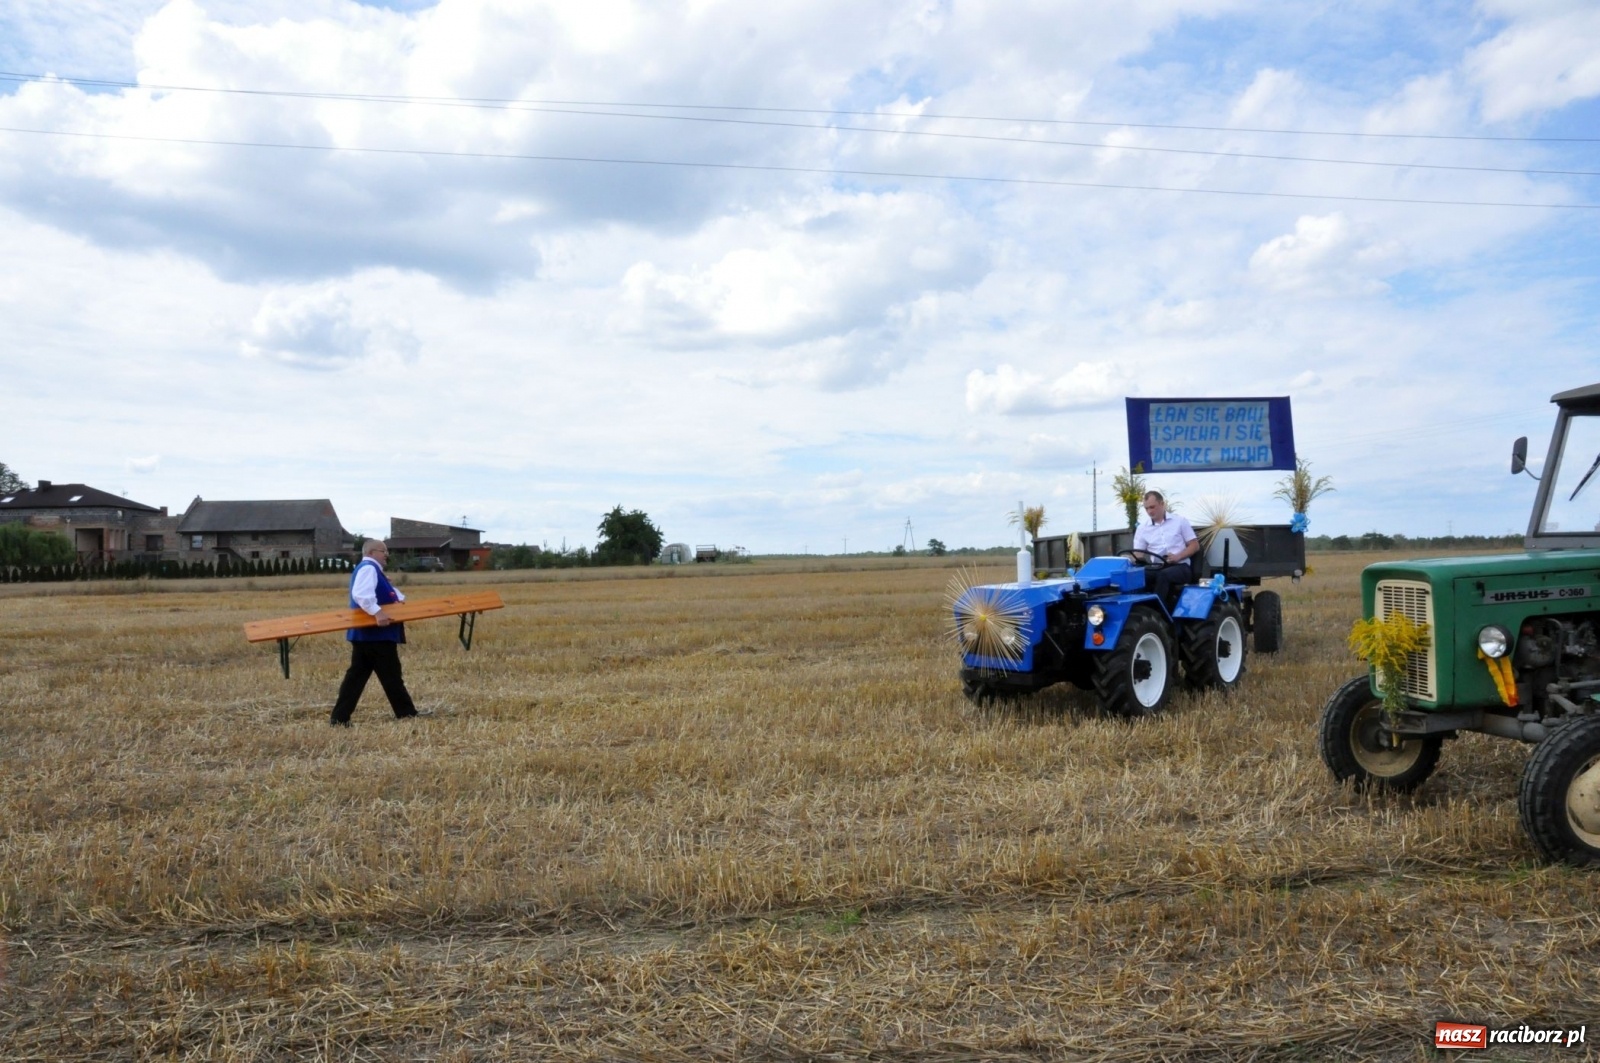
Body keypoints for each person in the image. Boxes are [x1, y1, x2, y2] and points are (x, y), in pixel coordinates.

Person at [330, 539, 421, 726]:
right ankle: (406, 714)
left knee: (356, 677)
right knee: (391, 676)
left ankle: (339, 718)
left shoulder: (374, 571)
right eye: (383, 551)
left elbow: (395, 597)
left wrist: (390, 591)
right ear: (371, 552)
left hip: (366, 635)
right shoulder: (368, 568)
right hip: (375, 635)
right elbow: (362, 595)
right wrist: (378, 612)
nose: (387, 554)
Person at [1132, 490, 1199, 606]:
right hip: (1158, 567)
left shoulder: (1179, 521)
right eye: (1146, 508)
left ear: (1162, 504)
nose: (1149, 511)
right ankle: (1138, 608)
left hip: (1181, 566)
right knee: (1136, 575)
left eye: (1152, 507)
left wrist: (1178, 557)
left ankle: (1158, 612)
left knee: (1164, 575)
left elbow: (1195, 545)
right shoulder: (1142, 528)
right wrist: (1130, 559)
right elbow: (1138, 554)